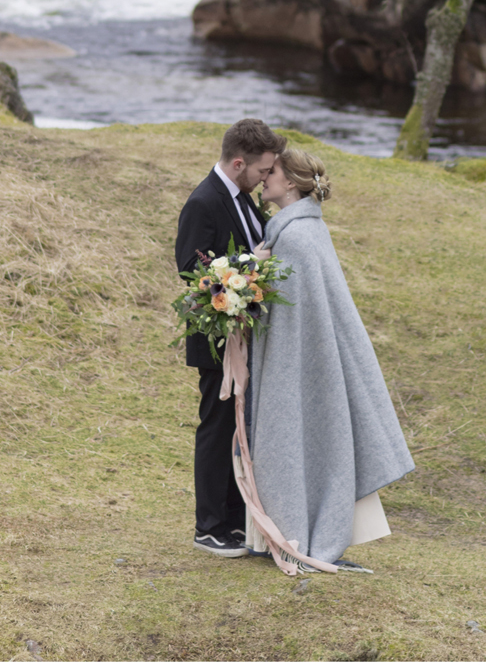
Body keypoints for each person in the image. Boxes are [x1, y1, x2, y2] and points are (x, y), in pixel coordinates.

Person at [241, 146, 414, 572]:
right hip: (301, 363)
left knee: (294, 438)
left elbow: (298, 320)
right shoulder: (299, 230)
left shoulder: (297, 237)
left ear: (293, 183)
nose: (265, 177)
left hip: (298, 368)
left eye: (273, 172)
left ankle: (296, 530)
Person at [173, 117, 281, 558]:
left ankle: (236, 519)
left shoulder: (244, 199)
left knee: (240, 429)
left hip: (244, 334)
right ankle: (210, 526)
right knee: (217, 428)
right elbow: (192, 271)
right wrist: (246, 268)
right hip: (217, 337)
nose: (265, 178)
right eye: (262, 171)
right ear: (239, 163)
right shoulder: (203, 203)